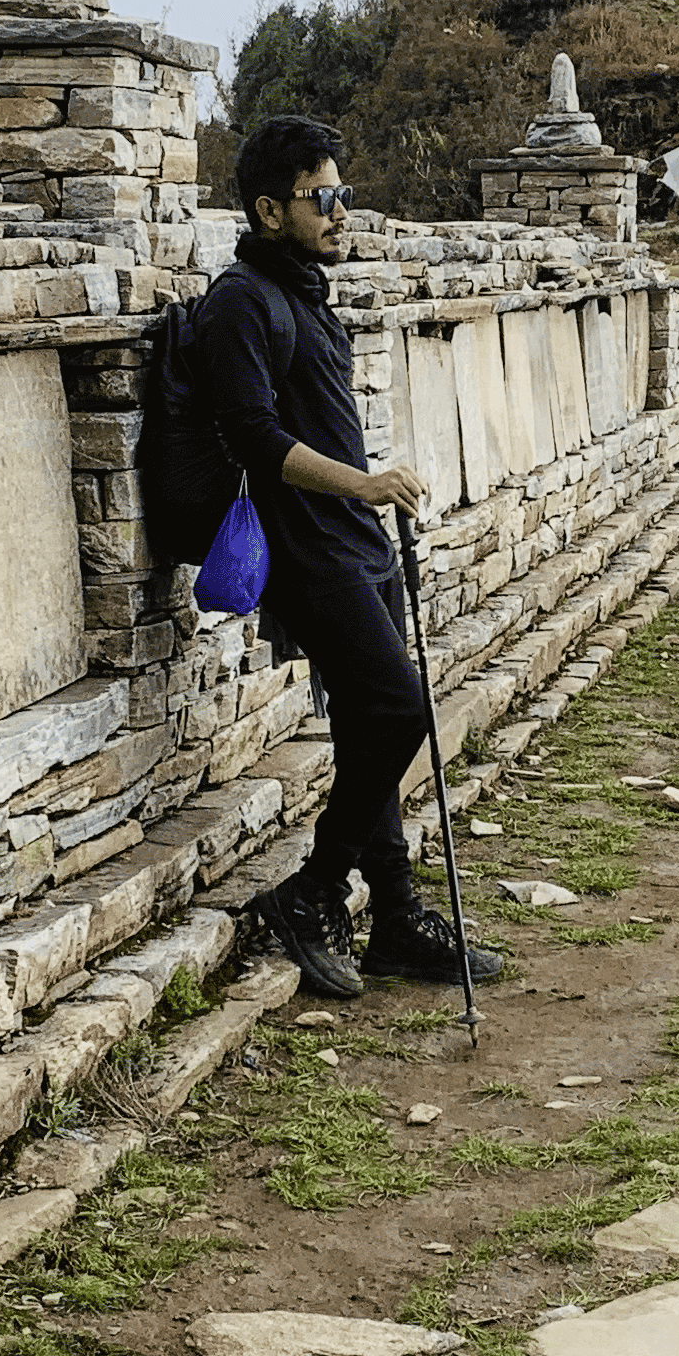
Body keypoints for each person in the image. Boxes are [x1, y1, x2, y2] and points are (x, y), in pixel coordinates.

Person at [196, 114, 504, 1004]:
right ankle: (318, 890)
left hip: (356, 549)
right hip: (309, 556)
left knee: (366, 725)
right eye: (321, 197)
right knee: (399, 707)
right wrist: (363, 486)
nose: (340, 212)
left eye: (343, 195)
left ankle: (398, 920)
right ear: (267, 209)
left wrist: (367, 507)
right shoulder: (241, 304)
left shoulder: (304, 295)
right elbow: (253, 437)